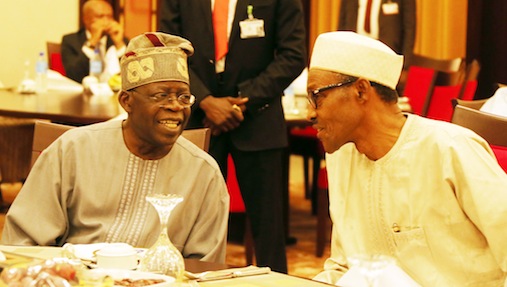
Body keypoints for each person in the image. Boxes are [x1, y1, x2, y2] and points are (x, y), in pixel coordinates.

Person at [2, 32, 230, 264]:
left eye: (183, 97)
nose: (175, 106)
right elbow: (22, 245)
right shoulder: (73, 150)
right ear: (126, 101)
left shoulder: (204, 174)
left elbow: (205, 268)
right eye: (161, 95)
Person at [307, 31, 507, 286]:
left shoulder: (450, 149)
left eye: (317, 96)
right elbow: (343, 267)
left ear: (360, 91)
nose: (309, 113)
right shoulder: (342, 156)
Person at [158, 0, 307, 273]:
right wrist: (204, 100)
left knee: (269, 232)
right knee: (188, 224)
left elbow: (293, 54)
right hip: (197, 119)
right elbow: (169, 51)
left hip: (258, 117)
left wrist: (243, 101)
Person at [339, 0, 415, 91]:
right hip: (355, 55)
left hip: (387, 58)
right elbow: (341, 26)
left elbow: (409, 30)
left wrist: (404, 67)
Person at [61, 0, 128, 84]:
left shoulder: (120, 40)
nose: (106, 21)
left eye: (109, 17)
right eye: (100, 16)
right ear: (86, 19)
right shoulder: (71, 41)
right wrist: (92, 42)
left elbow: (130, 75)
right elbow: (73, 76)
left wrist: (119, 44)